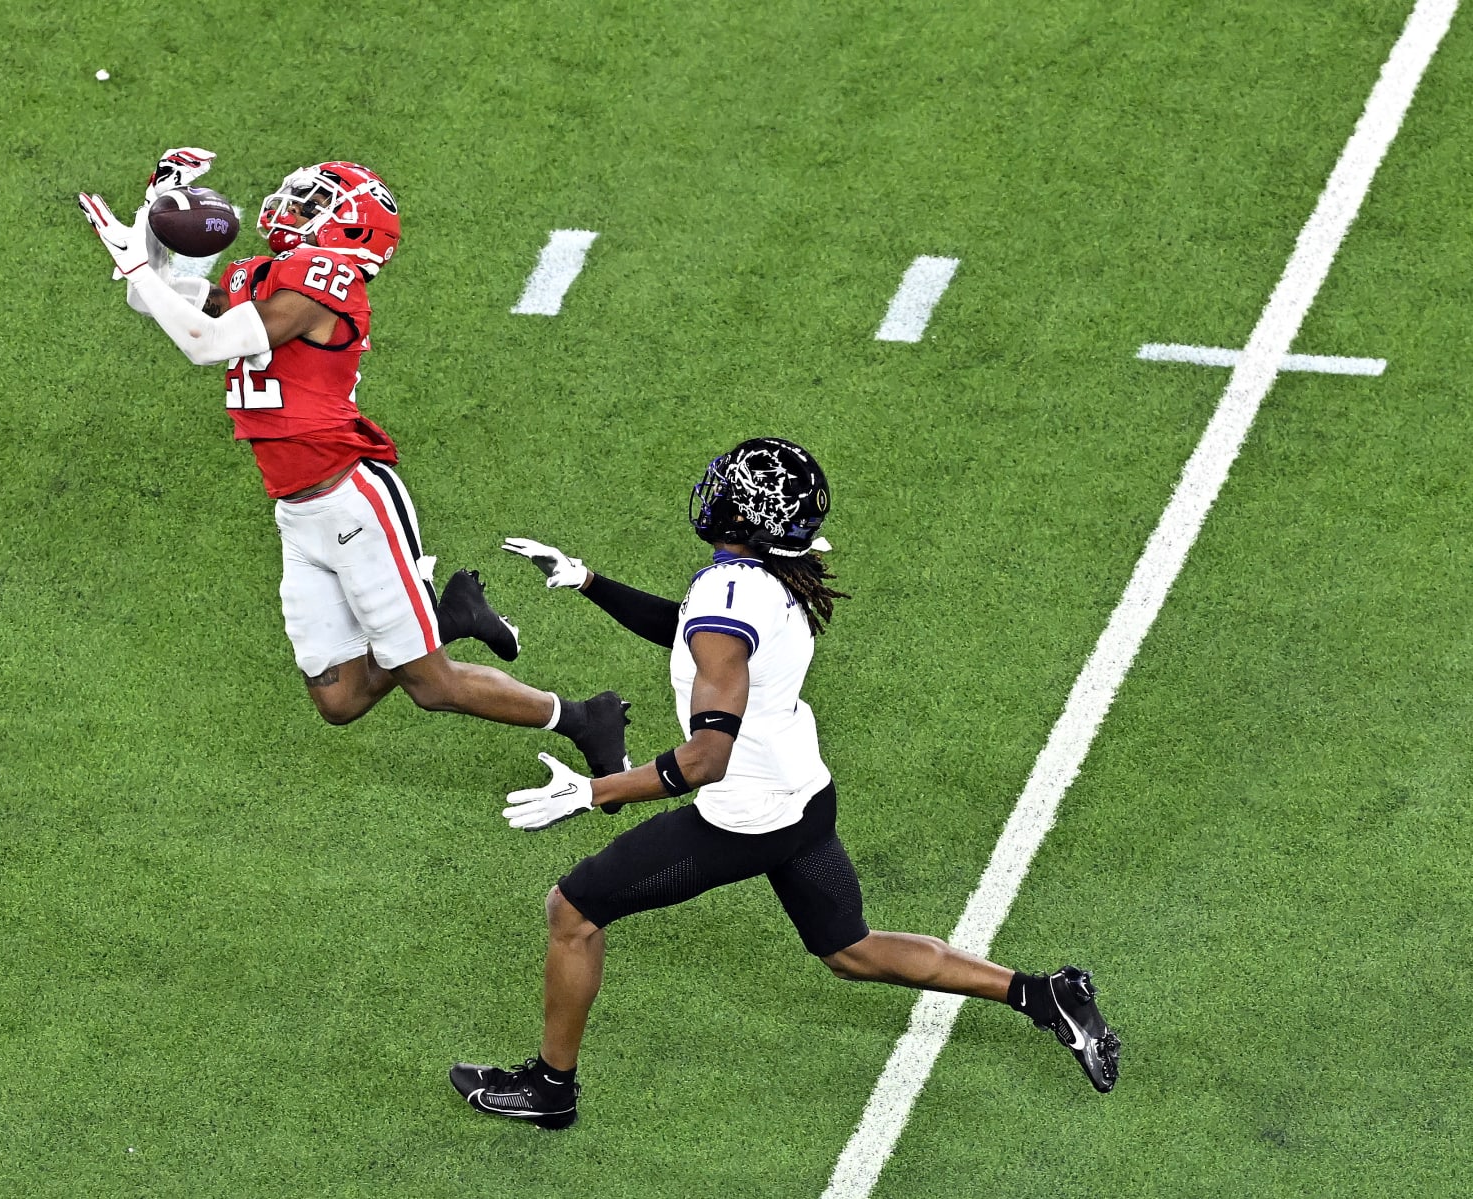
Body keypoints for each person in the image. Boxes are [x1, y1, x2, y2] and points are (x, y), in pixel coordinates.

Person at [450, 437, 1120, 1129]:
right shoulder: (776, 578)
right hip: (802, 794)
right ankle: (1044, 994)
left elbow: (706, 756)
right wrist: (590, 582)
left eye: (729, 488)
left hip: (745, 818)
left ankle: (551, 1089)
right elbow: (697, 637)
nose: (715, 492)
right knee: (850, 949)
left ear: (748, 516)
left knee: (574, 910)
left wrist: (596, 791)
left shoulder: (728, 589)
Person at [75, 151, 627, 773]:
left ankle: (585, 717)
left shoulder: (324, 277)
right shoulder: (274, 273)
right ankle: (445, 615)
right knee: (339, 698)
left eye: (314, 202)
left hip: (352, 498)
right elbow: (155, 302)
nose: (293, 207)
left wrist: (138, 267)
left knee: (430, 685)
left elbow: (206, 344)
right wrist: (152, 220)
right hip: (296, 508)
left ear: (350, 225)